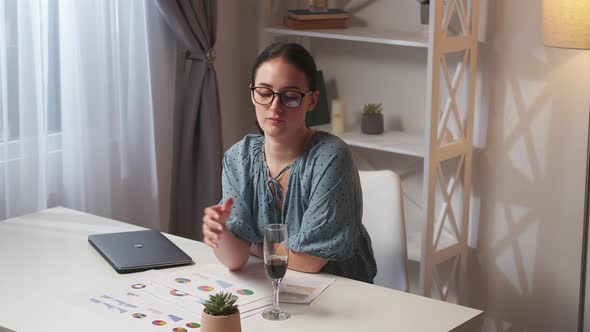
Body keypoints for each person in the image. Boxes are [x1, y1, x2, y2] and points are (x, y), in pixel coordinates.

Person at [202, 42, 376, 283]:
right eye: (264, 93)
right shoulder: (237, 158)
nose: (275, 107)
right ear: (252, 94)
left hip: (341, 292)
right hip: (278, 289)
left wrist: (254, 246)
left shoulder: (331, 156)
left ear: (312, 101)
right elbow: (234, 260)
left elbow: (311, 261)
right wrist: (219, 233)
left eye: (290, 97)